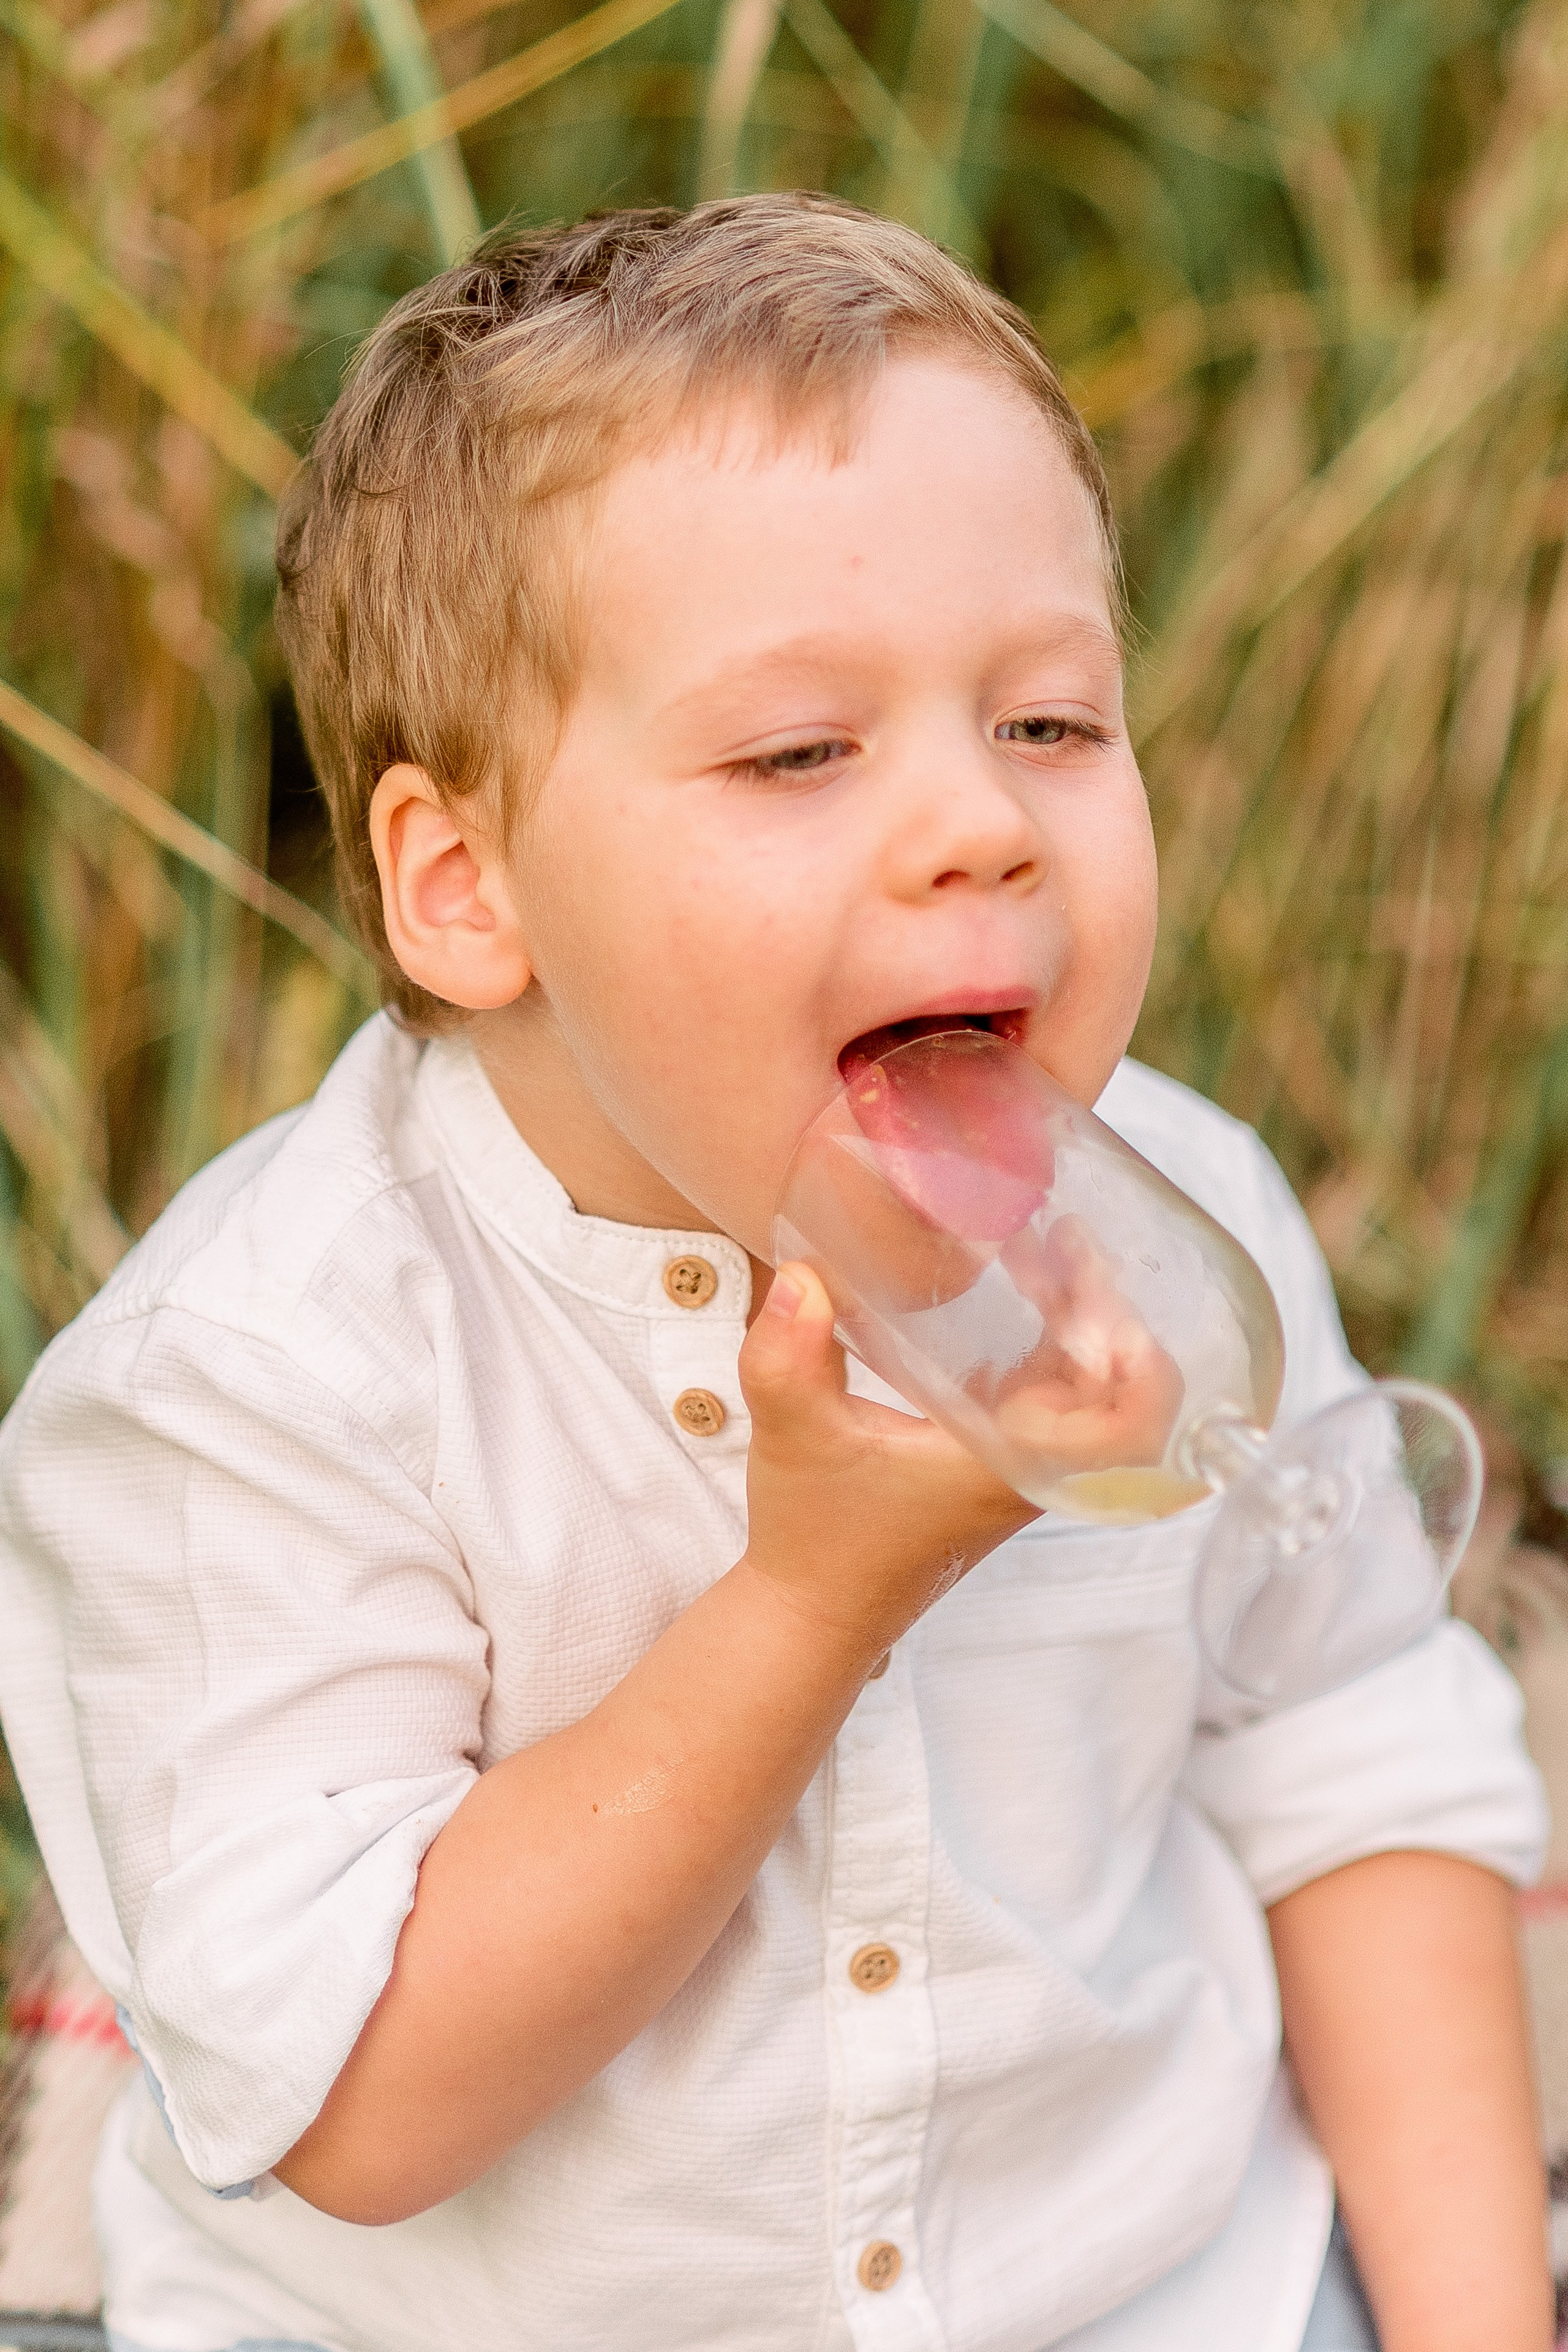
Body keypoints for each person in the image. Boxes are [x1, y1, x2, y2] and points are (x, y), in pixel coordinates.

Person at [0, 196, 1552, 2352]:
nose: (982, 829)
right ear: (467, 890)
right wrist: (813, 1598)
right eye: (799, 751)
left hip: (1148, 2290)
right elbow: (351, 2094)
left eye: (1048, 724)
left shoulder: (1176, 1223)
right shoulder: (250, 1384)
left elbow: (1357, 1759)